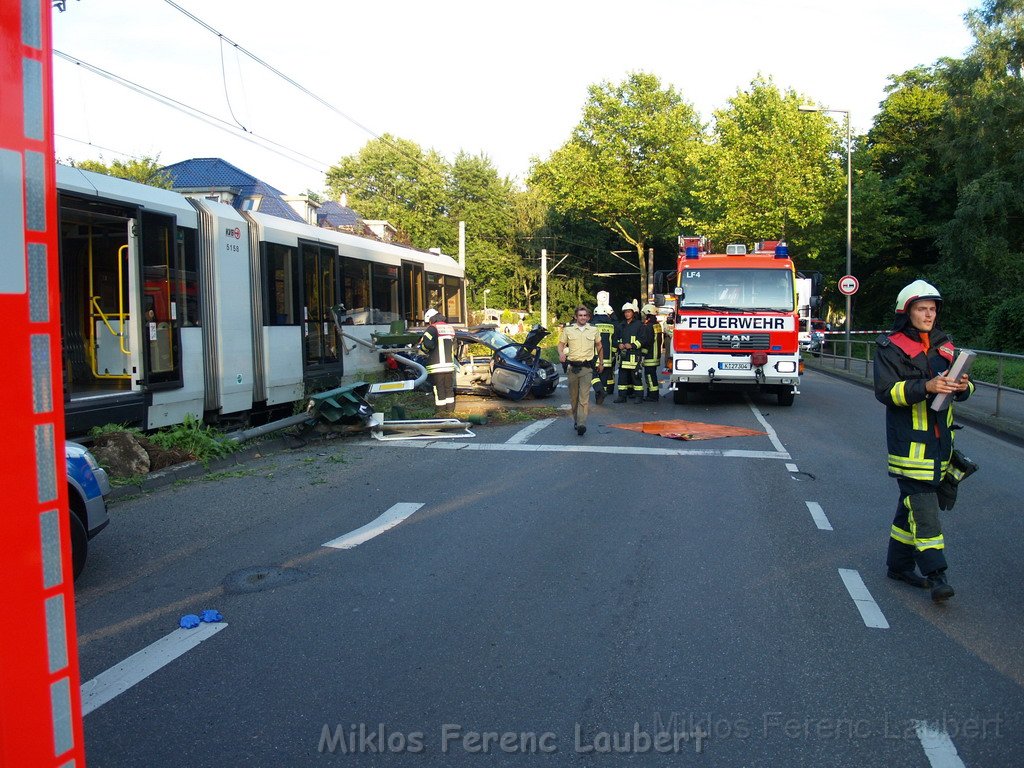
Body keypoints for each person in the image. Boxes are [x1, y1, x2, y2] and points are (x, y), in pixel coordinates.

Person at [874, 280, 974, 602]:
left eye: (932, 309)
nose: (929, 314)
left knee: (910, 510)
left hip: (940, 447)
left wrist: (963, 388)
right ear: (908, 311)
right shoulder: (891, 347)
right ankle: (937, 573)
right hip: (909, 447)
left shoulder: (945, 345)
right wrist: (926, 387)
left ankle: (898, 565)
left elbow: (968, 390)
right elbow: (886, 392)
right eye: (922, 308)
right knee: (924, 507)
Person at [558, 305, 603, 436]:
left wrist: (601, 362)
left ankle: (582, 423)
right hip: (572, 367)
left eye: (585, 315)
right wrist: (561, 353)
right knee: (574, 398)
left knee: (584, 398)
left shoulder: (594, 330)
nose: (583, 317)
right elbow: (561, 344)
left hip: (587, 368)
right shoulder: (568, 330)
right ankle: (577, 420)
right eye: (580, 315)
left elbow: (599, 346)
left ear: (588, 317)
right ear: (576, 317)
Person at [418, 308, 456, 412]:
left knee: (439, 389)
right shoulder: (449, 328)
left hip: (437, 366)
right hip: (449, 365)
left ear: (431, 319)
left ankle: (441, 411)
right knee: (448, 388)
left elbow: (428, 345)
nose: (428, 324)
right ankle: (450, 411)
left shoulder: (431, 329)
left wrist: (422, 348)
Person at [613, 301, 644, 403]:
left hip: (634, 356)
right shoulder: (620, 325)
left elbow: (643, 339)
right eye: (625, 312)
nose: (627, 314)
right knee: (622, 378)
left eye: (629, 312)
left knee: (636, 377)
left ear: (633, 313)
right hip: (623, 357)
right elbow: (615, 339)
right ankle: (622, 397)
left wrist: (632, 345)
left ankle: (639, 397)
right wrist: (619, 344)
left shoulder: (639, 325)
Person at [590, 291, 617, 405]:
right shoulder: (611, 326)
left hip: (595, 356)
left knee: (593, 374)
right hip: (608, 357)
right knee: (604, 377)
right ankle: (602, 395)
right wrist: (614, 353)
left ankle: (599, 392)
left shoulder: (592, 326)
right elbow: (615, 341)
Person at [639, 303, 662, 401]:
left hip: (650, 355)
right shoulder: (657, 325)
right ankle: (653, 394)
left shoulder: (648, 326)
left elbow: (647, 342)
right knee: (652, 375)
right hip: (656, 355)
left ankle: (652, 396)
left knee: (649, 376)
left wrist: (642, 354)